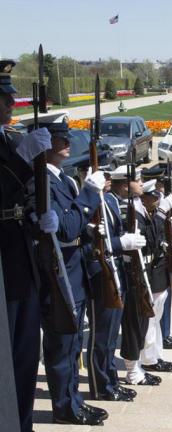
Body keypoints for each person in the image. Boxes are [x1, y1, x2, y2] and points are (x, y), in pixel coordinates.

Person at [41, 121, 109, 425]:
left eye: (67, 137)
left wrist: (91, 228)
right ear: (45, 144)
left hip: (75, 272)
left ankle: (74, 401)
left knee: (73, 346)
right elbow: (67, 227)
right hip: (60, 276)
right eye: (59, 138)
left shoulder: (64, 179)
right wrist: (90, 193)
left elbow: (77, 226)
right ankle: (64, 407)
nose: (67, 142)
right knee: (61, 345)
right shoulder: (42, 182)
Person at [0, 59, 55, 432]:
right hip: (3, 265)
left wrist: (40, 215)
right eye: (4, 97)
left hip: (22, 262)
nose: (11, 103)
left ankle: (22, 425)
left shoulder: (12, 138)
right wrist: (22, 161)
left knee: (24, 358)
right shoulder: (14, 147)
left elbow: (28, 191)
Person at [84, 171, 143, 403]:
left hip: (114, 273)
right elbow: (90, 244)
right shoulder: (92, 201)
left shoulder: (109, 200)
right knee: (101, 336)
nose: (107, 179)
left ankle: (110, 382)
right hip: (100, 275)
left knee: (109, 337)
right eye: (104, 175)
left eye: (109, 175)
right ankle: (101, 387)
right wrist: (119, 243)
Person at [110, 166, 162, 387]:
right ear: (124, 184)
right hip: (129, 274)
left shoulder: (134, 206)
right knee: (132, 323)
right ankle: (132, 370)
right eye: (137, 180)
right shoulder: (120, 208)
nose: (141, 183)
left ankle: (137, 367)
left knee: (141, 321)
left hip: (141, 273)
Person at [139, 180, 172, 374]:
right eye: (153, 198)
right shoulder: (145, 216)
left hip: (160, 273)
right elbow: (152, 242)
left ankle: (156, 355)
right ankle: (149, 359)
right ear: (144, 199)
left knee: (157, 318)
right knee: (151, 320)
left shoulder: (151, 214)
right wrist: (161, 215)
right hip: (151, 274)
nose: (157, 201)